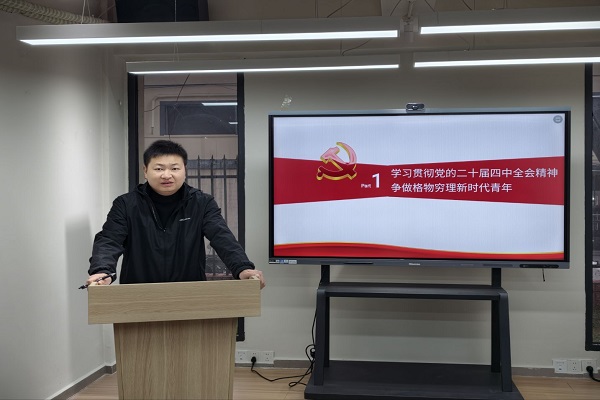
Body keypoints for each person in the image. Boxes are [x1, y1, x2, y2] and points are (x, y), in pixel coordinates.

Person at [85, 140, 265, 288]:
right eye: (158, 168)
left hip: (189, 293)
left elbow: (222, 237)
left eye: (174, 168)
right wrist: (102, 271)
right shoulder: (126, 204)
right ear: (145, 171)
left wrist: (242, 268)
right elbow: (109, 240)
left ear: (185, 170)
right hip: (138, 294)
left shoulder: (202, 203)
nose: (166, 175)